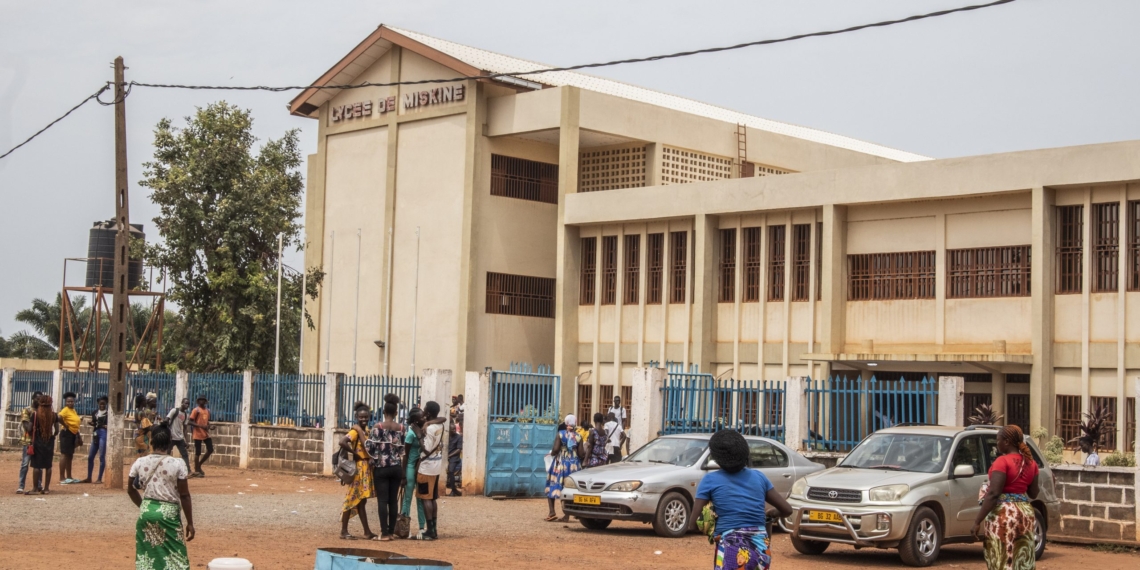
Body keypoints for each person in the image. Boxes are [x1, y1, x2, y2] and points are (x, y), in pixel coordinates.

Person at [693, 430, 793, 570]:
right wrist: (772, 513)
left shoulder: (710, 480)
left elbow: (692, 523)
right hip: (761, 549)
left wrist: (709, 521)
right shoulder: (759, 477)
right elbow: (787, 510)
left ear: (716, 457)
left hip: (730, 547)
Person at [971, 424, 1040, 570]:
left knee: (1001, 556)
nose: (997, 444)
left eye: (998, 440)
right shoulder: (1031, 463)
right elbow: (1034, 493)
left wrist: (977, 521)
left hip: (1004, 513)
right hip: (1025, 512)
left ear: (1007, 442)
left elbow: (994, 493)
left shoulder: (1002, 462)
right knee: (1023, 556)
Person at [127, 423, 194, 570]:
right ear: (170, 443)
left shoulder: (140, 462)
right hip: (169, 515)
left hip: (146, 512)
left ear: (151, 442)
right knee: (176, 557)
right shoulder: (178, 464)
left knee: (148, 557)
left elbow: (130, 489)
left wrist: (145, 507)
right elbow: (185, 496)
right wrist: (190, 523)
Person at [366, 400, 406, 541]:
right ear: (396, 413)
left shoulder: (377, 427)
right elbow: (402, 450)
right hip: (396, 467)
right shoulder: (401, 428)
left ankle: (384, 533)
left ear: (384, 412)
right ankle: (390, 531)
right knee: (393, 501)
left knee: (382, 501)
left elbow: (370, 449)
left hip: (381, 468)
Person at [339, 402, 377, 540]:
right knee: (351, 499)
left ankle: (366, 531)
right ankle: (343, 530)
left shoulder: (365, 431)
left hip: (366, 468)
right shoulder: (354, 432)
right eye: (361, 417)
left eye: (366, 417)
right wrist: (354, 453)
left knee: (361, 501)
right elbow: (342, 442)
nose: (364, 419)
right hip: (359, 469)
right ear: (356, 416)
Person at [544, 414, 584, 522]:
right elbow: (581, 454)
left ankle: (552, 512)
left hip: (560, 463)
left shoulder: (560, 434)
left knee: (552, 484)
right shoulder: (579, 436)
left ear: (566, 423)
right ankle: (567, 515)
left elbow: (556, 449)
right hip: (574, 465)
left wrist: (551, 453)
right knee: (570, 489)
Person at [416, 401, 445, 540]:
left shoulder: (430, 428)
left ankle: (430, 530)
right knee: (432, 498)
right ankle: (433, 528)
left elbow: (426, 448)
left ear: (428, 413)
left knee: (425, 498)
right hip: (437, 466)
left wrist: (419, 435)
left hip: (426, 467)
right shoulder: (440, 425)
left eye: (424, 409)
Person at [401, 408, 428, 539]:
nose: (425, 418)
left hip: (422, 467)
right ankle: (404, 527)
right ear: (417, 420)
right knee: (408, 497)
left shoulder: (424, 432)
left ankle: (422, 528)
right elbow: (405, 456)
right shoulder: (410, 434)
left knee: (421, 497)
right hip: (411, 467)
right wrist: (403, 474)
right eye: (422, 417)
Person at [29, 395, 59, 495]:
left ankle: (34, 488)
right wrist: (51, 435)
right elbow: (57, 430)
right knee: (48, 465)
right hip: (49, 441)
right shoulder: (54, 415)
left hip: (38, 440)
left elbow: (29, 429)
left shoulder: (35, 415)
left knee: (36, 466)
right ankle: (46, 488)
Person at [16, 391, 42, 494]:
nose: (39, 401)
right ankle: (21, 486)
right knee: (25, 464)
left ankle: (39, 485)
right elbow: (27, 427)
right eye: (37, 399)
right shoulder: (26, 410)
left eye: (41, 399)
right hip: (28, 441)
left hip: (39, 441)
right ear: (33, 399)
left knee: (39, 465)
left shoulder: (41, 411)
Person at [81, 395, 109, 484]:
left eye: (103, 404)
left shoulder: (108, 414)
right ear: (98, 404)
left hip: (103, 433)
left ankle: (99, 478)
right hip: (96, 433)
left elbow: (110, 425)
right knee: (90, 457)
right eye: (100, 404)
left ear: (106, 404)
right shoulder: (95, 413)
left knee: (101, 456)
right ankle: (89, 477)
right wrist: (91, 423)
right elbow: (95, 423)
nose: (102, 406)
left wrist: (105, 426)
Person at [57, 392, 83, 484]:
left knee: (70, 455)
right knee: (64, 454)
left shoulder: (73, 410)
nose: (70, 403)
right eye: (68, 402)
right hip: (66, 434)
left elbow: (75, 423)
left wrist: (78, 435)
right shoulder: (65, 410)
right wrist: (65, 425)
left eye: (72, 401)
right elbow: (59, 417)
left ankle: (69, 476)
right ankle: (61, 477)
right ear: (65, 402)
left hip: (73, 434)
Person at [187, 396, 215, 477]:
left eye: (203, 400)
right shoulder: (196, 410)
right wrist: (201, 426)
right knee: (198, 452)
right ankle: (196, 470)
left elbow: (206, 422)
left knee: (210, 449)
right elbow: (190, 422)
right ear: (198, 402)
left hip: (205, 433)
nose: (202, 401)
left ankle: (199, 465)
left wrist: (210, 426)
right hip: (197, 433)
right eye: (200, 400)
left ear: (205, 402)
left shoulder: (207, 411)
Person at [166, 398, 192, 471]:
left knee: (184, 454)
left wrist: (187, 440)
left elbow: (185, 428)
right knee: (166, 453)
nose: (187, 405)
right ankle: (164, 468)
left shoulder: (186, 415)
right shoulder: (174, 411)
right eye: (186, 403)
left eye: (188, 404)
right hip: (171, 437)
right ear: (182, 403)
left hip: (179, 438)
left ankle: (188, 470)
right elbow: (167, 420)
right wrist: (168, 433)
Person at [446, 421, 463, 497]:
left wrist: (449, 455)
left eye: (454, 429)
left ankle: (453, 490)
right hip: (446, 457)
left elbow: (459, 449)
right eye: (452, 429)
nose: (453, 430)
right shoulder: (446, 437)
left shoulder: (458, 437)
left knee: (451, 471)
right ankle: (455, 490)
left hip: (454, 457)